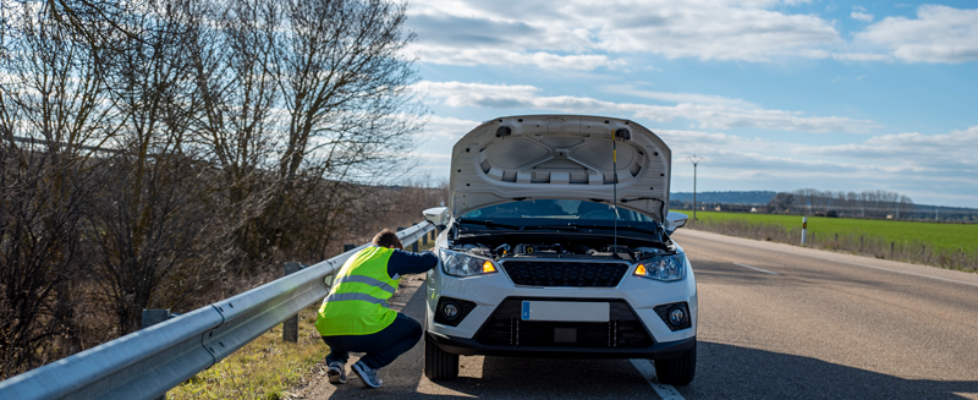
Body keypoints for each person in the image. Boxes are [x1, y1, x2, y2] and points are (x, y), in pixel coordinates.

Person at [315, 229, 438, 388]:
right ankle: (368, 365)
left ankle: (335, 362)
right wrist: (432, 252)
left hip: (328, 330)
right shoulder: (390, 255)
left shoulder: (355, 257)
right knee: (414, 330)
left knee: (344, 316)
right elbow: (427, 261)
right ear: (392, 246)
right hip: (361, 331)